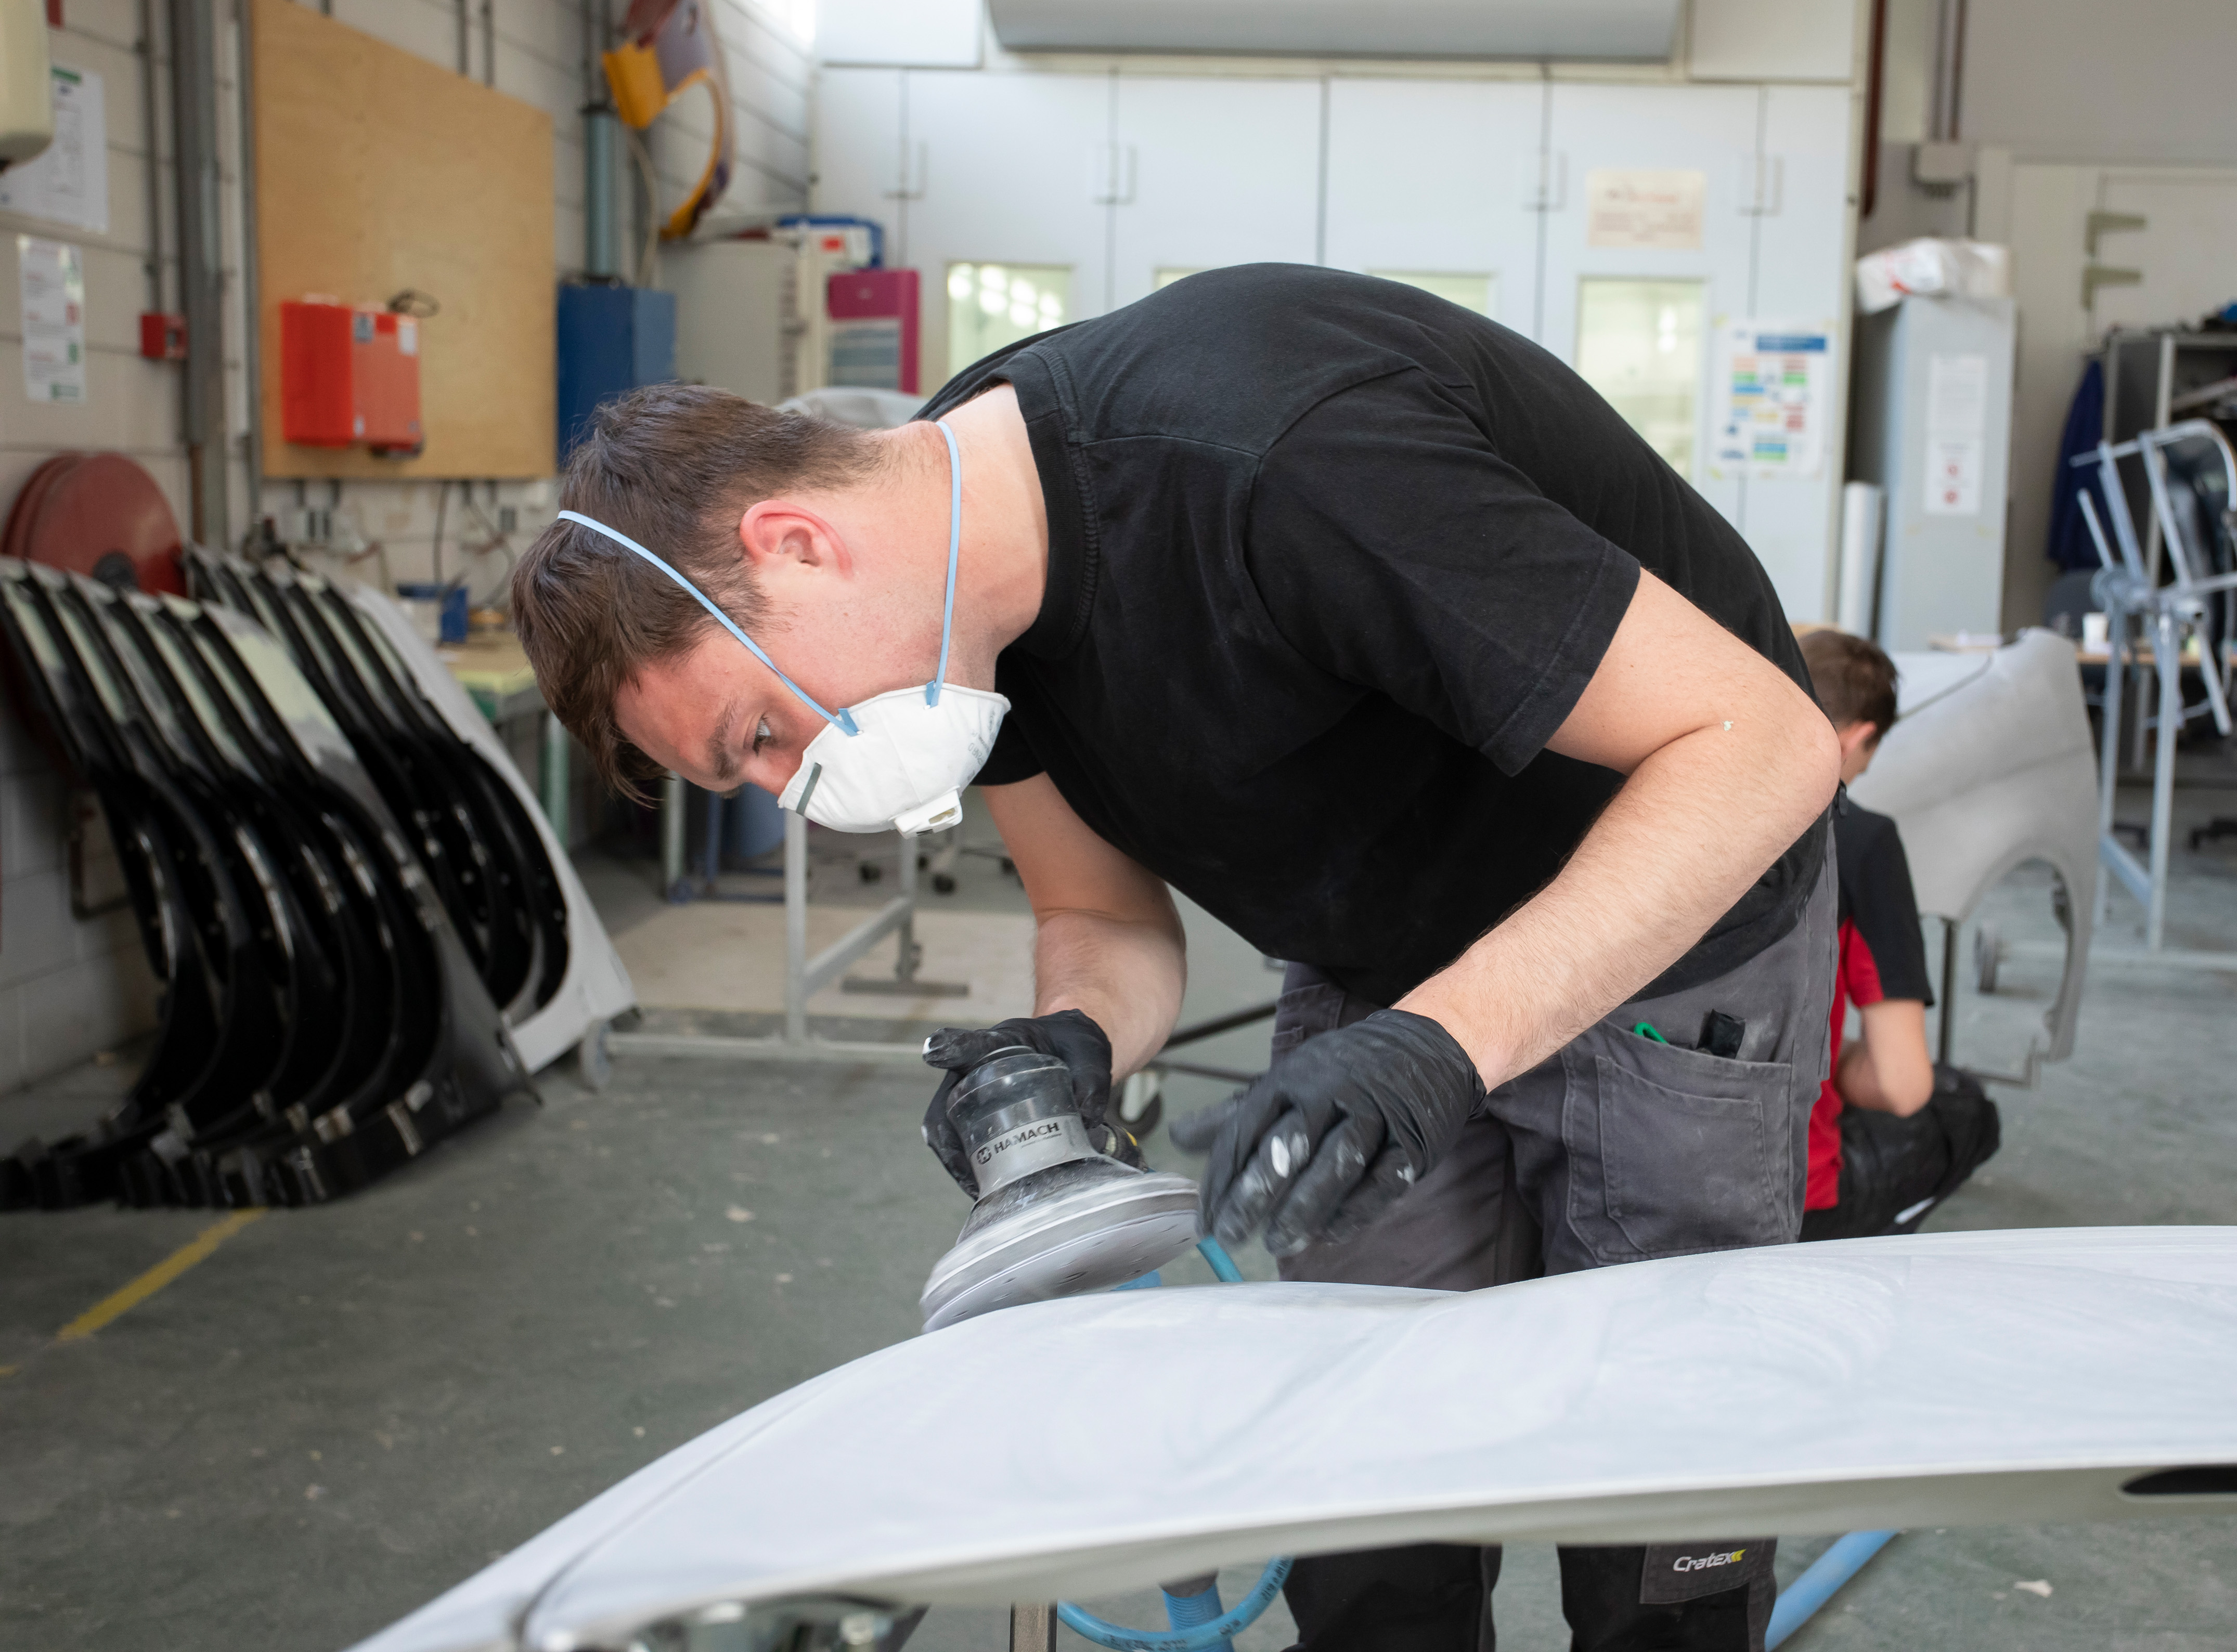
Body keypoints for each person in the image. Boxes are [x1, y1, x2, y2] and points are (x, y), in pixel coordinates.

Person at [511, 265, 1840, 1651]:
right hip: (1385, 965)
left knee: (1659, 1514)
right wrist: (1078, 1034)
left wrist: (1444, 1039)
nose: (793, 785)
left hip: (1668, 940)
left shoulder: (1282, 459)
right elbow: (1099, 916)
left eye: (757, 735)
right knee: (1367, 1516)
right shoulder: (958, 611)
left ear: (794, 542)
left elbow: (1763, 744)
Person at [1794, 630, 1999, 1243]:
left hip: (1623, 1168)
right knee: (1963, 1110)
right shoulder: (1861, 843)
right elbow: (1900, 1085)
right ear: (1855, 739)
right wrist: (1834, 1060)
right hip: (1788, 1192)